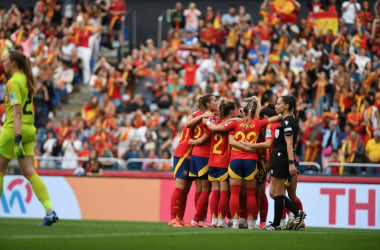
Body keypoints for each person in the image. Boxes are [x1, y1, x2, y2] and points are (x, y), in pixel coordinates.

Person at [0, 50, 58, 226]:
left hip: (13, 131)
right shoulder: (27, 80)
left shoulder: (13, 82)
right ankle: (49, 211)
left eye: (5, 61)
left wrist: (16, 138)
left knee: (0, 170)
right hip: (29, 129)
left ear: (13, 64)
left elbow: (16, 112)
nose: (3, 63)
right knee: (29, 172)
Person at [207, 97, 282, 229]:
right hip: (251, 161)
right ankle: (252, 223)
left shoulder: (235, 123)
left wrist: (207, 121)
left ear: (244, 112)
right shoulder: (259, 123)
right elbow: (275, 119)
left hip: (235, 159)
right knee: (251, 194)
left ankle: (235, 222)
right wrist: (286, 114)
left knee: (234, 193)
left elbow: (216, 128)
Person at [264, 96, 306, 230]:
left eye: (279, 104)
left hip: (282, 157)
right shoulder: (286, 119)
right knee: (275, 193)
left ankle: (277, 224)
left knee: (277, 193)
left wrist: (291, 163)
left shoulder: (288, 122)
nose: (276, 106)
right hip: (278, 156)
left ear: (287, 106)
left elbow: (289, 144)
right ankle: (297, 213)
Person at [207, 98, 236, 228]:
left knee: (215, 192)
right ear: (231, 111)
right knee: (224, 193)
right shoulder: (230, 125)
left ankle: (213, 220)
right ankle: (220, 221)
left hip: (212, 160)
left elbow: (209, 123)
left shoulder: (214, 121)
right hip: (224, 161)